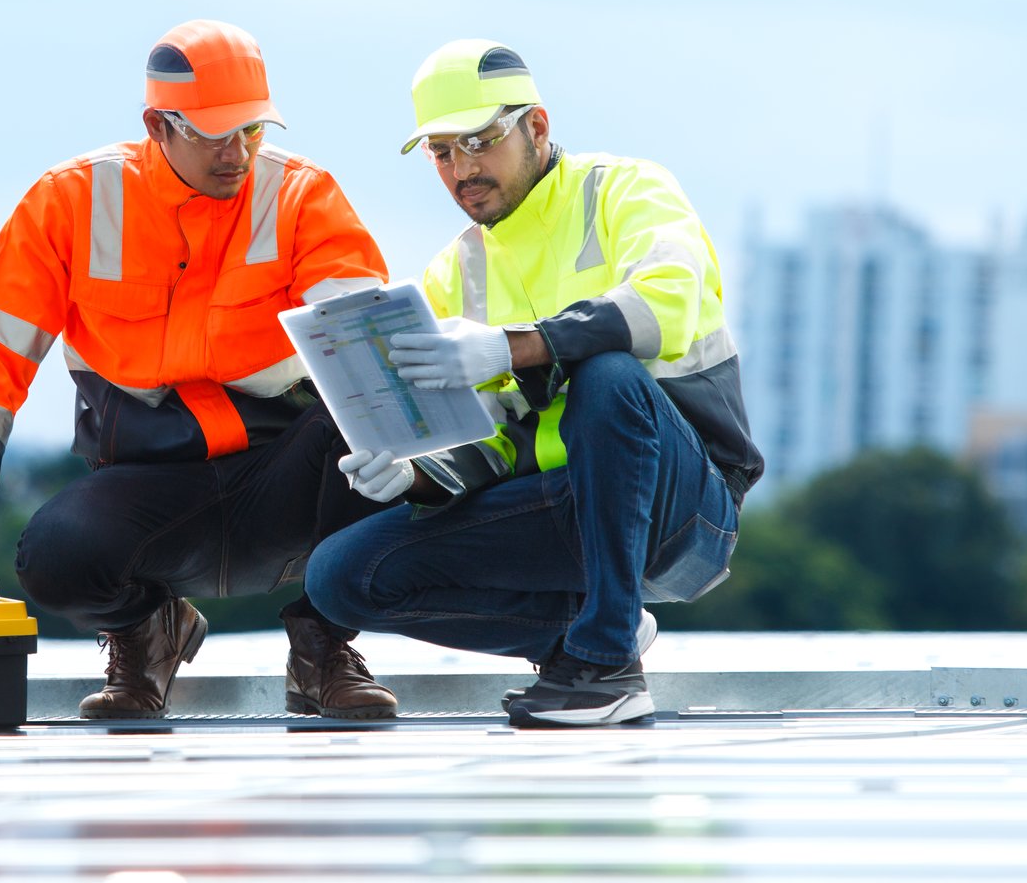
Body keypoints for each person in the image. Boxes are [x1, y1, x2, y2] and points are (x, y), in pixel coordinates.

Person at [0, 19, 399, 721]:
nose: (238, 154)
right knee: (54, 556)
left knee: (365, 415)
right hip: (151, 488)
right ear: (157, 124)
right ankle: (147, 633)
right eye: (214, 134)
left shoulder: (301, 198)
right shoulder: (68, 204)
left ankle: (323, 648)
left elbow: (360, 333)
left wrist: (392, 414)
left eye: (254, 132)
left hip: (284, 480)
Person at [306, 39, 763, 728]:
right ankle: (579, 639)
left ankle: (607, 667)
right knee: (342, 576)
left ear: (537, 127)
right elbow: (484, 445)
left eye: (480, 142)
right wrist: (412, 477)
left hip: (683, 505)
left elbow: (670, 297)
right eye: (442, 152)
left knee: (605, 377)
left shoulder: (625, 191)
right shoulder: (451, 275)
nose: (463, 169)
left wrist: (514, 347)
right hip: (562, 503)